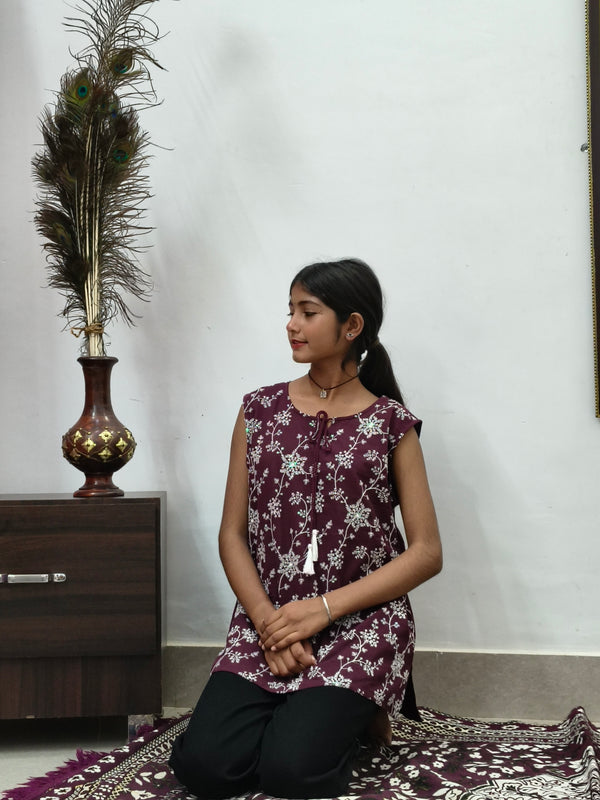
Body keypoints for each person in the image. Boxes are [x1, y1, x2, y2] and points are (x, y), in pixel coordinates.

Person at [169, 258, 442, 799]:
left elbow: (426, 553)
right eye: (290, 311)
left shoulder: (391, 424)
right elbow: (232, 535)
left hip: (361, 625)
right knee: (204, 768)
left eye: (307, 311)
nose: (291, 323)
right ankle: (320, 710)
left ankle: (350, 713)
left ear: (352, 327)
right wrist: (271, 623)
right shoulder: (259, 411)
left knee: (293, 773)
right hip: (268, 621)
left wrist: (320, 611)